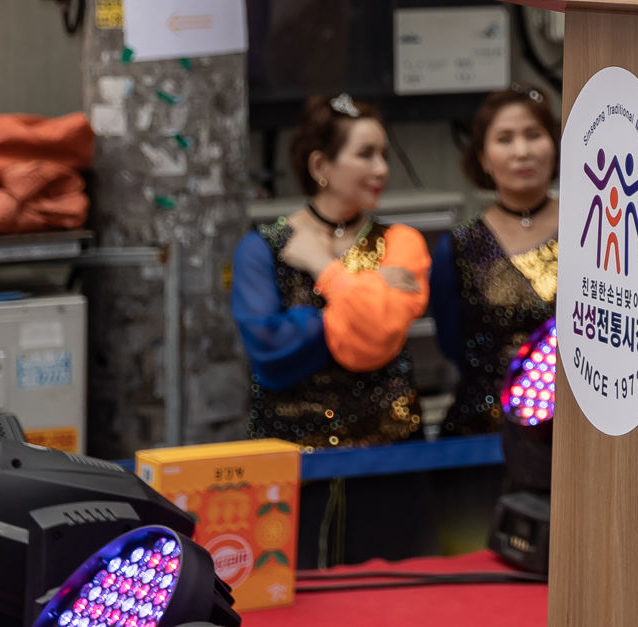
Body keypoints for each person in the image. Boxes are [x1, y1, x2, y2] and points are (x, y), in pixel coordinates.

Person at [231, 94, 431, 447]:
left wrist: (323, 267)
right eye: (365, 154)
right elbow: (269, 350)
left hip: (393, 451)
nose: (382, 168)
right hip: (292, 455)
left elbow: (380, 336)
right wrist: (371, 289)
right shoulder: (262, 247)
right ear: (321, 166)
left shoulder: (402, 242)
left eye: (383, 155)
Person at [430, 87, 560, 435]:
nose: (522, 151)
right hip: (485, 434)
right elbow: (451, 343)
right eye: (505, 139)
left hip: (580, 431)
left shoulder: (591, 230)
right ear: (484, 158)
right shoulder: (458, 246)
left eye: (534, 135)